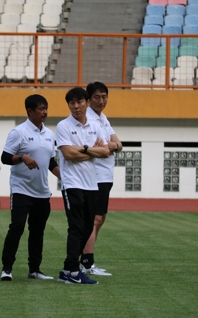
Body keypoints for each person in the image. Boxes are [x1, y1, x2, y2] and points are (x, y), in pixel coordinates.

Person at [0, 94, 61, 281]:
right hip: (21, 190)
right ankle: (7, 269)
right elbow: (5, 158)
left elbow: (50, 162)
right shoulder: (18, 132)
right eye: (41, 109)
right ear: (29, 111)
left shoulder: (50, 134)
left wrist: (65, 177)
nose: (45, 112)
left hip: (42, 192)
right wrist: (22, 158)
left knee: (37, 231)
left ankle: (34, 270)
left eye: (46, 108)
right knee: (17, 227)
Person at [55, 87, 110, 285]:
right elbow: (68, 154)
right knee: (76, 227)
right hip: (72, 184)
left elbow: (106, 152)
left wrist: (84, 149)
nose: (76, 106)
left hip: (91, 184)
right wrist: (92, 149)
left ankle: (68, 269)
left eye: (80, 102)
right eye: (72, 103)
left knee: (87, 228)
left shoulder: (95, 127)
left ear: (87, 103)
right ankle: (72, 270)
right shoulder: (63, 126)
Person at [81, 82, 122, 277]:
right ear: (89, 100)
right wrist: (110, 146)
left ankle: (86, 261)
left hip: (106, 175)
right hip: (95, 176)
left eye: (104, 97)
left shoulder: (102, 118)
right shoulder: (88, 120)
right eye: (97, 97)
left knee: (100, 218)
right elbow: (102, 149)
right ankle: (87, 262)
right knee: (94, 220)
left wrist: (110, 145)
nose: (101, 101)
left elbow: (117, 144)